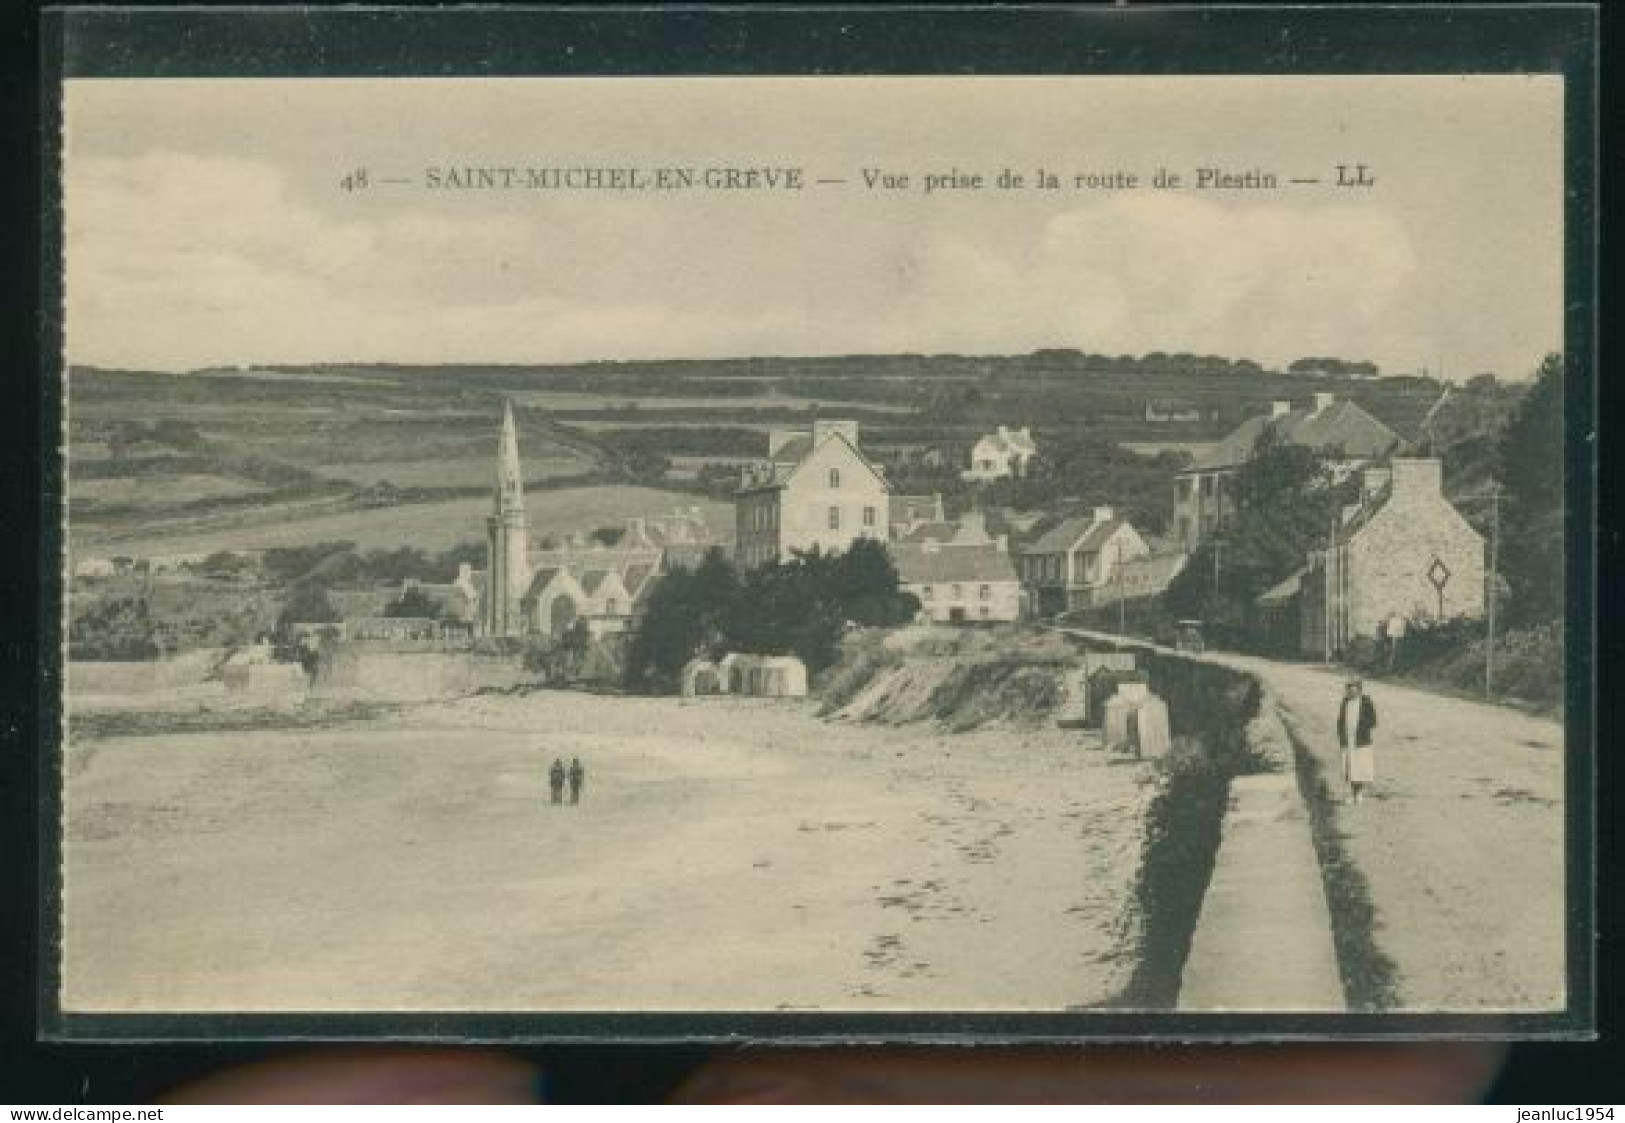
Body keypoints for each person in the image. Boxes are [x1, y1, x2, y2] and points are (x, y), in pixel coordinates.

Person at [1336, 678, 1378, 805]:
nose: (1351, 690)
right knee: (1350, 768)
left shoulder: (1365, 701)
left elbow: (1373, 721)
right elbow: (1340, 720)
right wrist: (1341, 735)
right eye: (1349, 688)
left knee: (1359, 768)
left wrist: (1360, 728)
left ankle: (1358, 793)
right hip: (1348, 739)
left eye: (1353, 688)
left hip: (1360, 741)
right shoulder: (1345, 701)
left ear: (1359, 689)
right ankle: (1352, 794)